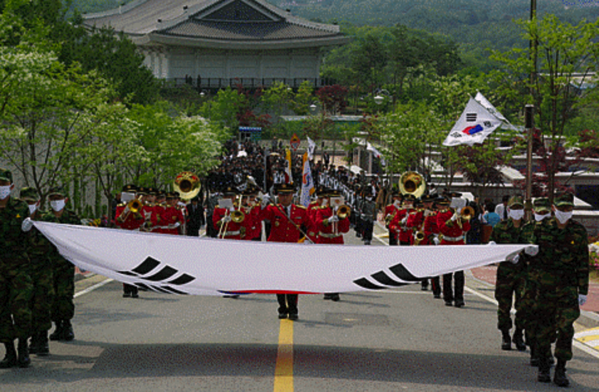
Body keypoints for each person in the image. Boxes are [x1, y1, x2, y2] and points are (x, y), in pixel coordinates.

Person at [529, 193, 588, 387]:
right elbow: (528, 254)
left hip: (568, 288)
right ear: (554, 208)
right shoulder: (541, 228)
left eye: (568, 209)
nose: (565, 213)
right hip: (545, 286)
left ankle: (561, 368)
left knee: (565, 330)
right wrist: (529, 253)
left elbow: (583, 262)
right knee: (544, 329)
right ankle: (544, 366)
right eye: (561, 209)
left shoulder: (578, 231)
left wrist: (583, 290)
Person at [260, 183, 311, 320]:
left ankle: (293, 309)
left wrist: (306, 240)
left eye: (287, 195)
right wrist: (262, 205)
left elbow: (310, 226)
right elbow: (261, 216)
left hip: (293, 251)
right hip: (277, 250)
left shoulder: (300, 211)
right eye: (281, 195)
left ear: (292, 195)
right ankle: (282, 307)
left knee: (293, 281)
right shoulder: (273, 209)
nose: (284, 198)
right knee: (279, 281)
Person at [0, 168, 33, 368]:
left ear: (11, 186)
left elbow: (29, 238)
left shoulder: (20, 207)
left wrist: (28, 229)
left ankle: (23, 346)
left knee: (21, 309)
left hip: (19, 268)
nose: (0, 188)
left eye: (3, 184)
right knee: (1, 312)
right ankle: (9, 351)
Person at [42, 186, 80, 342]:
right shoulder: (44, 218)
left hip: (65, 264)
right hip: (48, 264)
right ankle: (58, 326)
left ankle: (66, 325)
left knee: (64, 295)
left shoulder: (72, 218)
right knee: (51, 297)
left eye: (58, 198)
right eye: (52, 199)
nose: (55, 202)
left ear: (65, 199)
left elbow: (79, 238)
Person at [489, 195, 527, 351]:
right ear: (509, 210)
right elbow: (493, 244)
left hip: (524, 272)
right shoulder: (500, 227)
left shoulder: (529, 228)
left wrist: (524, 256)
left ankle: (519, 334)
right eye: (514, 208)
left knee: (523, 306)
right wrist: (493, 247)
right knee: (504, 306)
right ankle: (505, 335)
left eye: (520, 208)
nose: (517, 212)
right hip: (505, 272)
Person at [20, 187, 53, 357]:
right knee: (24, 306)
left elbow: (49, 244)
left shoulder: (46, 219)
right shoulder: (16, 217)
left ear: (38, 203)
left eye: (31, 202)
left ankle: (42, 339)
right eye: (25, 202)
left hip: (42, 269)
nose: (28, 205)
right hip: (22, 269)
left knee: (42, 304)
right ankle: (27, 340)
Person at [520, 197, 553, 367]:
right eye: (539, 212)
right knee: (532, 317)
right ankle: (535, 351)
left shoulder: (558, 230)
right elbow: (518, 253)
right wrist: (525, 254)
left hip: (553, 282)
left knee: (550, 320)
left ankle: (546, 351)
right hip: (531, 280)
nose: (543, 215)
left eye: (545, 212)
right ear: (533, 211)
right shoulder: (527, 229)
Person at [315, 189, 350, 301]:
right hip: (324, 239)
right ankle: (327, 290)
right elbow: (317, 225)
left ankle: (335, 291)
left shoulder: (341, 210)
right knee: (325, 267)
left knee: (337, 267)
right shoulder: (322, 211)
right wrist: (328, 220)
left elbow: (345, 229)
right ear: (328, 199)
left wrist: (341, 218)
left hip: (336, 240)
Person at [437, 192, 470, 307]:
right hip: (447, 243)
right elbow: (442, 229)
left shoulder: (463, 214)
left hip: (459, 243)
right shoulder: (442, 214)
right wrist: (452, 219)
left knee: (459, 273)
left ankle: (459, 298)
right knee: (447, 273)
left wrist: (463, 219)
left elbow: (466, 228)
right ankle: (447, 297)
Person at [115, 184, 145, 298]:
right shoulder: (120, 207)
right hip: (124, 235)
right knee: (124, 263)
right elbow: (118, 221)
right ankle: (126, 288)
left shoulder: (138, 205)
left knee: (135, 262)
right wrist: (126, 210)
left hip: (135, 234)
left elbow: (141, 220)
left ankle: (135, 288)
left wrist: (135, 211)